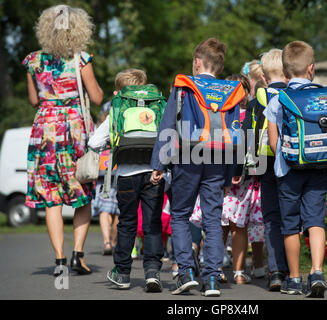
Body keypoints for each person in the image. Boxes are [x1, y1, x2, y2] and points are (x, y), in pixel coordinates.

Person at [150, 38, 244, 297]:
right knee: (213, 219)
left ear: (197, 63)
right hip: (218, 159)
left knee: (180, 214)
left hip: (187, 157)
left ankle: (187, 273)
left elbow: (168, 125)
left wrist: (158, 163)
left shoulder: (184, 87)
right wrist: (234, 171)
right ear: (220, 67)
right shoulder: (232, 92)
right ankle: (212, 279)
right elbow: (237, 134)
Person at [23, 5, 103, 276]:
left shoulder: (33, 61)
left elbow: (34, 101)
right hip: (73, 130)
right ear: (78, 29)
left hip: (44, 131)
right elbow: (97, 98)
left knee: (51, 197)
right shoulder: (81, 59)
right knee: (81, 190)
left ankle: (58, 261)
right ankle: (77, 256)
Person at [88, 68, 166, 292]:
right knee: (152, 225)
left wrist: (113, 143)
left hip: (125, 176)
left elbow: (94, 142)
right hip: (154, 173)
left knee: (127, 224)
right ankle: (152, 273)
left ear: (119, 91)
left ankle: (122, 273)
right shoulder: (154, 105)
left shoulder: (117, 108)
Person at [264, 41, 327, 298]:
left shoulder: (278, 100)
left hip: (288, 171)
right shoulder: (324, 95)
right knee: (315, 221)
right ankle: (317, 272)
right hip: (318, 166)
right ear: (311, 68)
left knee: (290, 225)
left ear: (286, 73)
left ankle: (293, 278)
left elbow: (272, 142)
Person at [190, 74, 265, 284]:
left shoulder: (220, 115)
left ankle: (218, 268)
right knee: (237, 226)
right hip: (242, 177)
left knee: (219, 224)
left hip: (220, 175)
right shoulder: (250, 114)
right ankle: (238, 272)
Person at [236, 49, 290, 291]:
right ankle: (294, 271)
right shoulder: (295, 95)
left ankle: (275, 271)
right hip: (293, 162)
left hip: (265, 163)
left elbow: (246, 133)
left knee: (271, 217)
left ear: (265, 77)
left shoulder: (259, 99)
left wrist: (239, 168)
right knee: (291, 216)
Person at [91, 103, 120, 256]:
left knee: (104, 210)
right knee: (117, 212)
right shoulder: (123, 123)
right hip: (119, 172)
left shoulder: (101, 128)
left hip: (102, 174)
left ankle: (107, 242)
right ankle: (114, 242)